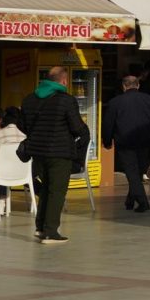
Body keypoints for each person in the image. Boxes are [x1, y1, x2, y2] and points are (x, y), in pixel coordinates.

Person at [18, 66, 89, 244]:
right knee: (56, 191)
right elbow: (76, 127)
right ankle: (51, 232)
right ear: (64, 81)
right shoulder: (66, 101)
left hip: (37, 152)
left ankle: (40, 227)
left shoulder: (29, 99)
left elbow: (23, 126)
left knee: (47, 189)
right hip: (60, 153)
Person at [103, 74, 150, 213]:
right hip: (145, 142)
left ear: (124, 86)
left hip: (124, 142)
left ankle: (143, 202)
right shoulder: (149, 100)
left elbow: (108, 124)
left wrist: (107, 141)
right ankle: (130, 200)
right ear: (138, 85)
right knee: (137, 173)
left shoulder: (115, 102)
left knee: (132, 173)